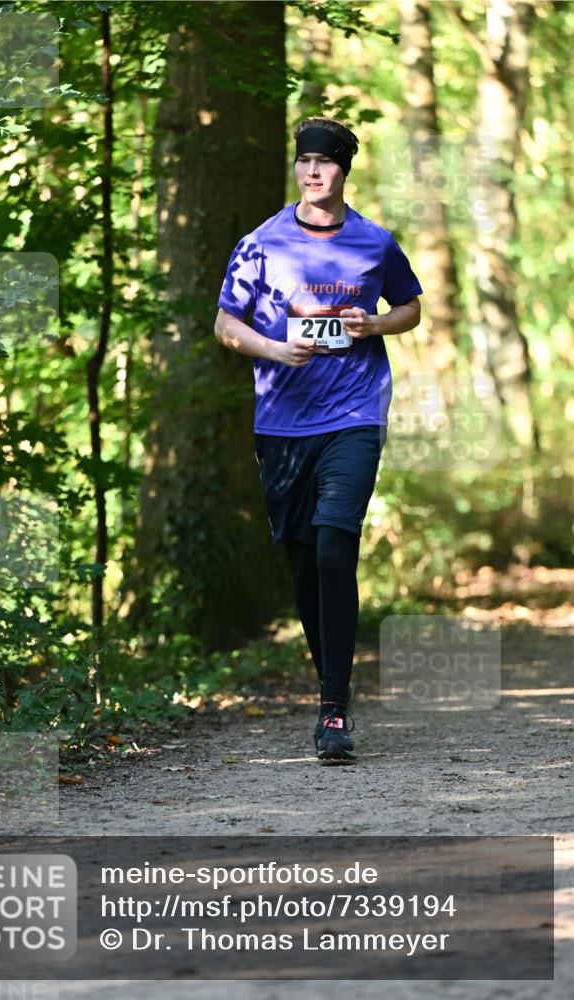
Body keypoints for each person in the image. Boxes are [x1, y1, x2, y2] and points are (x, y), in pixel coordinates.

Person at [214, 117, 422, 764]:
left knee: (335, 546)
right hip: (281, 423)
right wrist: (275, 347)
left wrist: (374, 323)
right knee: (303, 564)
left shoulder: (373, 242)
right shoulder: (261, 242)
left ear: (343, 171)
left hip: (354, 415)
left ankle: (334, 709)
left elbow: (411, 306)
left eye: (324, 162)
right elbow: (226, 323)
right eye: (304, 160)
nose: (312, 171)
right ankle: (325, 682)